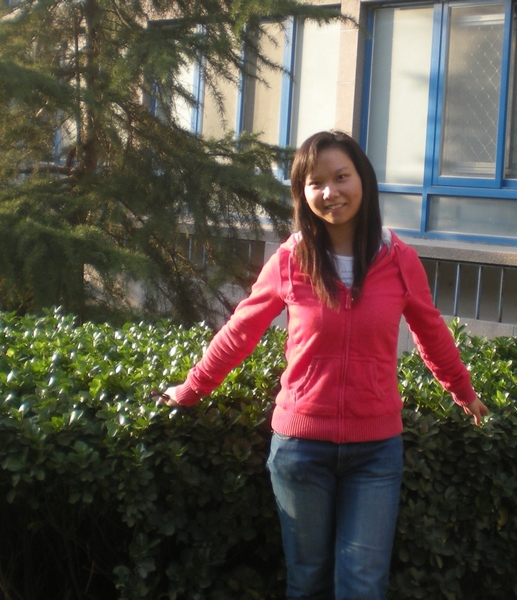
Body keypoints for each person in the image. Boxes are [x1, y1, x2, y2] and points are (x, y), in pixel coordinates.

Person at [158, 131, 488, 600]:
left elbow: (430, 331)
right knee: (308, 582)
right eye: (315, 183)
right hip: (300, 448)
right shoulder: (291, 259)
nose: (330, 192)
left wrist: (462, 390)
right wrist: (191, 389)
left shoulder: (399, 260)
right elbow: (241, 330)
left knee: (362, 585)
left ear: (363, 180)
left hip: (375, 452)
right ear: (302, 193)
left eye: (341, 177)